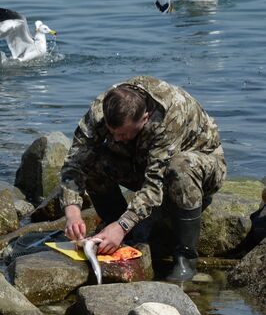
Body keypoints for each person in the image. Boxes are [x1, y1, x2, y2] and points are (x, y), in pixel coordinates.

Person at [60, 75, 226, 281]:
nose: (116, 139)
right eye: (112, 133)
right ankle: (117, 234)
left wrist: (123, 224)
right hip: (141, 161)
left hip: (200, 168)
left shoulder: (170, 114)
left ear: (145, 117)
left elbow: (154, 183)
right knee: (92, 160)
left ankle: (186, 257)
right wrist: (72, 212)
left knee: (181, 166)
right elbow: (74, 161)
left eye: (123, 134)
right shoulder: (102, 109)